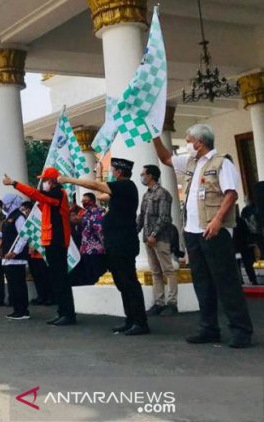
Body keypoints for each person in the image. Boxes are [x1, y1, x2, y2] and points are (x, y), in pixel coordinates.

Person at [154, 124, 253, 348]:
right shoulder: (190, 163)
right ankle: (209, 328)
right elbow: (165, 158)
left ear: (200, 142)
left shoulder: (221, 163)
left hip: (213, 231)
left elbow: (231, 194)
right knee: (202, 282)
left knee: (226, 281)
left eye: (189, 140)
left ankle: (241, 330)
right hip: (193, 232)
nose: (186, 144)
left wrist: (218, 220)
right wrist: (154, 135)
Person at [60, 158, 150, 336]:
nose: (112, 172)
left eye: (113, 169)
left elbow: (96, 187)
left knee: (128, 281)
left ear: (118, 172)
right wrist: (99, 174)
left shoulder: (126, 186)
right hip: (115, 242)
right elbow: (102, 195)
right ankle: (130, 319)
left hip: (123, 242)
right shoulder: (119, 189)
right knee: (121, 282)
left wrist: (70, 180)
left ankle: (140, 322)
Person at [3, 168, 76, 326]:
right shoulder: (52, 195)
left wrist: (14, 184)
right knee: (56, 279)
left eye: (44, 181)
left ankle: (68, 314)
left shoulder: (58, 193)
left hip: (57, 241)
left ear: (52, 181)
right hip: (51, 241)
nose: (42, 184)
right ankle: (62, 312)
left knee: (61, 280)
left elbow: (36, 194)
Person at [137, 164, 178, 316]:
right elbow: (141, 216)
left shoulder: (163, 194)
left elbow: (164, 217)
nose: (142, 177)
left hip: (160, 238)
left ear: (151, 176)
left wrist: (154, 233)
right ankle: (159, 302)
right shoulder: (146, 195)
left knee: (168, 269)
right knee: (155, 271)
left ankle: (172, 302)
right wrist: (136, 230)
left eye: (144, 174)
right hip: (148, 238)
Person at [0, 194, 31, 320]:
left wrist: (15, 252)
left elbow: (23, 236)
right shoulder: (9, 217)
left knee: (18, 284)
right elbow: (7, 233)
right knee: (13, 285)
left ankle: (23, 310)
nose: (3, 206)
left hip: (16, 258)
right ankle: (17, 309)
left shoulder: (18, 217)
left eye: (4, 203)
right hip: (8, 258)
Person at [78, 193, 107, 285]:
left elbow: (99, 228)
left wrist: (82, 221)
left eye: (85, 200)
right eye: (82, 201)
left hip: (97, 250)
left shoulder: (99, 212)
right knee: (89, 276)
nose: (83, 202)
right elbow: (84, 232)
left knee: (98, 275)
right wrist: (82, 245)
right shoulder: (85, 213)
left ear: (92, 201)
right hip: (86, 249)